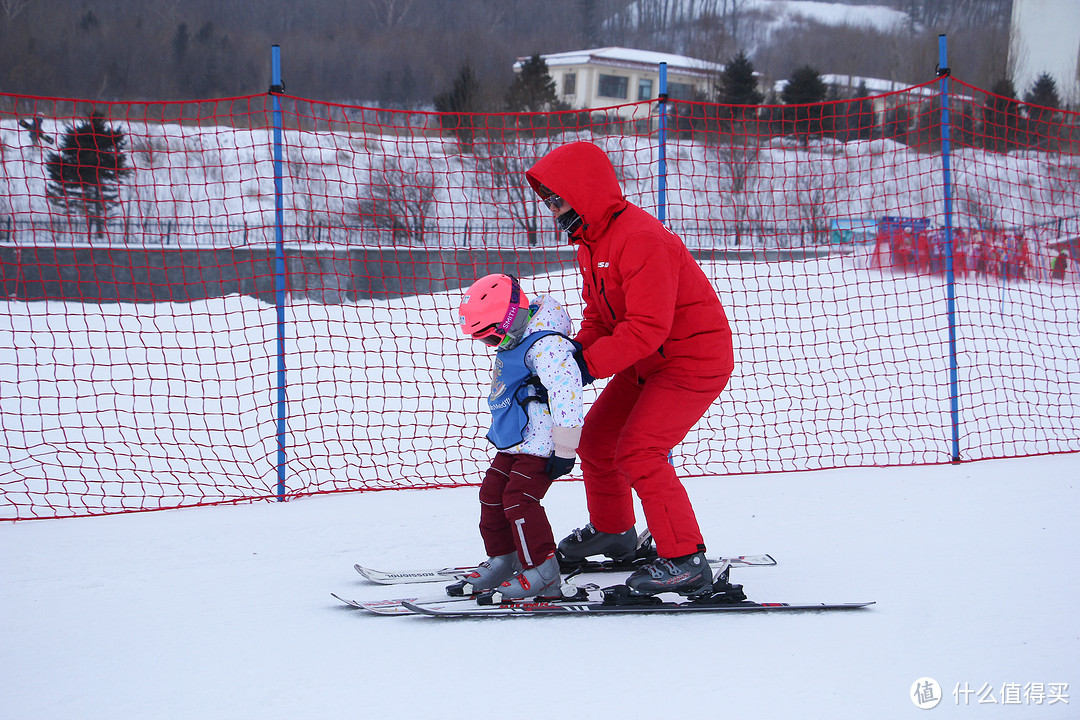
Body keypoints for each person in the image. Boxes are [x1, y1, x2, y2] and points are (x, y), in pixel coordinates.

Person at [526, 141, 735, 597]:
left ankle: (684, 560)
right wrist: (569, 356)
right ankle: (614, 532)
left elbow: (647, 327)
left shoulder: (640, 238)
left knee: (640, 450)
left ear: (584, 190)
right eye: (550, 202)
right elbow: (601, 319)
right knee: (600, 440)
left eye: (559, 198)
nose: (554, 209)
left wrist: (586, 367)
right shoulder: (591, 241)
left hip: (690, 359)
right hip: (645, 361)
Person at [453, 273, 585, 602]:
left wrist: (566, 447)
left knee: (519, 500)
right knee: (491, 494)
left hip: (542, 442)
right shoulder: (519, 338)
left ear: (511, 320)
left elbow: (566, 392)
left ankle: (543, 572)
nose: (491, 346)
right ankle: (504, 558)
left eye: (492, 339)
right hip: (516, 438)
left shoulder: (546, 346)